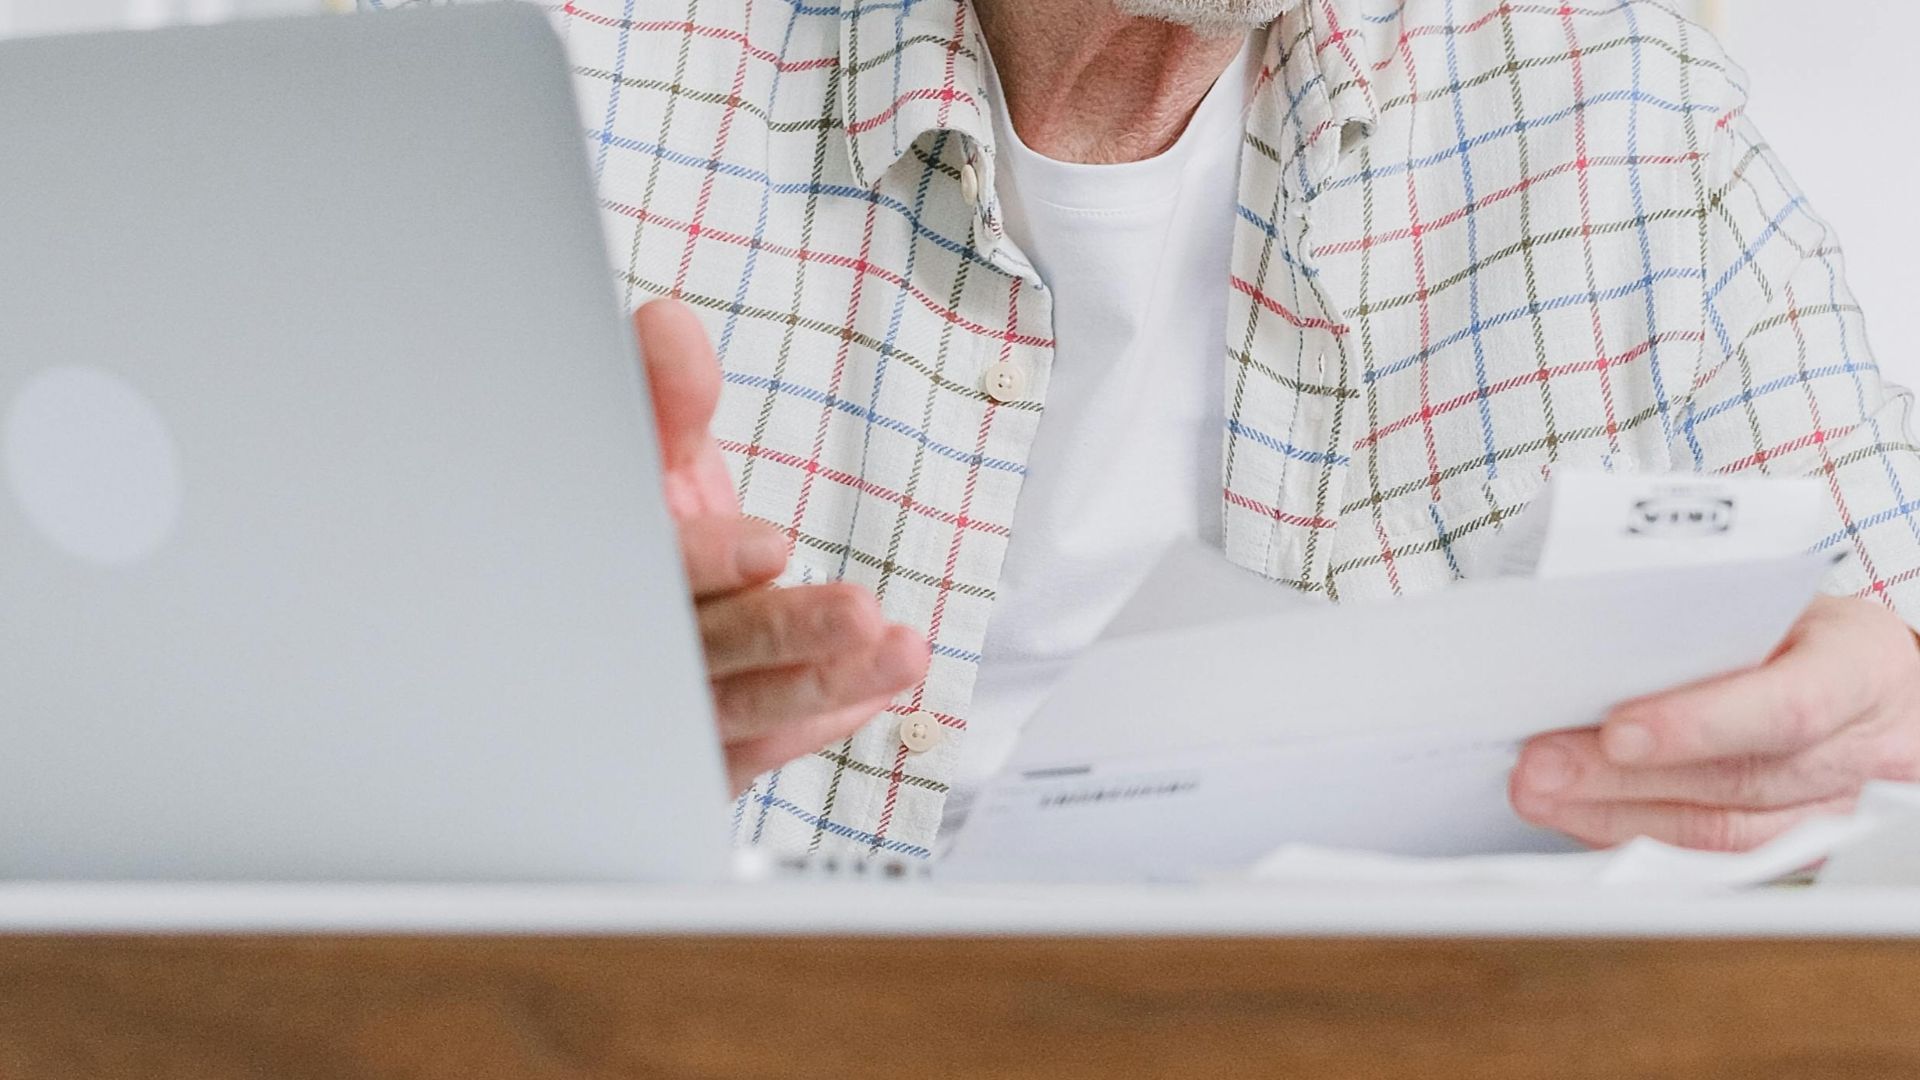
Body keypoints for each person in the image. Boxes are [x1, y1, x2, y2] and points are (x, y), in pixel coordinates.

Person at [373, 0, 1920, 860]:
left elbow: (1894, 666)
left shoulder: (1622, 99)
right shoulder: (531, 63)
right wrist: (522, 737)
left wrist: (1858, 720)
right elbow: (230, 715)